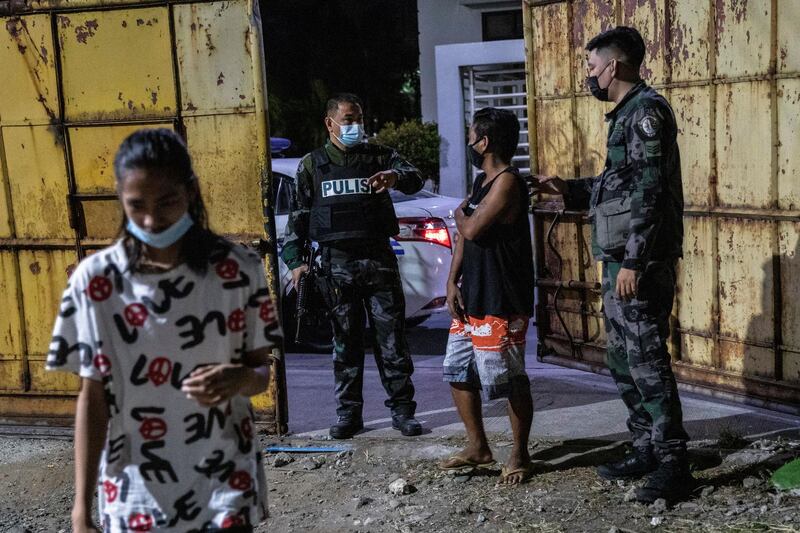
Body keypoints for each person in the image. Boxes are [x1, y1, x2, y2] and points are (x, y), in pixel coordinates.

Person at [47, 128, 282, 532]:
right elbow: (93, 396)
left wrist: (241, 378)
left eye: (167, 201)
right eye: (136, 205)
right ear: (121, 197)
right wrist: (80, 511)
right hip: (135, 488)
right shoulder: (95, 282)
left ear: (191, 192)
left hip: (224, 481)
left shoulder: (238, 270)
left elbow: (261, 372)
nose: (152, 220)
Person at [535, 26, 692, 503]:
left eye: (591, 66)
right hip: (621, 261)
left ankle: (673, 464)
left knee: (647, 361)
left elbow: (651, 193)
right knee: (624, 359)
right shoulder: (624, 116)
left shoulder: (645, 113)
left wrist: (634, 261)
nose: (588, 75)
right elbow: (617, 185)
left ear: (615, 66)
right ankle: (644, 446)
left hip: (637, 264)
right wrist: (570, 188)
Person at [280, 93, 423, 439]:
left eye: (358, 119)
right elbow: (297, 218)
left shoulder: (378, 157)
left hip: (379, 262)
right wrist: (296, 263)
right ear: (330, 123)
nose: (355, 126)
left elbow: (415, 176)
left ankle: (403, 412)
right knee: (345, 343)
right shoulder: (313, 165)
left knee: (392, 342)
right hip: (336, 266)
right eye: (348, 120)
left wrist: (394, 176)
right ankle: (348, 414)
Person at [438, 107, 535, 485]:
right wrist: (452, 282)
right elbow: (464, 235)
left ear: (485, 141)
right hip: (473, 293)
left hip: (502, 295)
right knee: (458, 370)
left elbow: (471, 227)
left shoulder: (508, 182)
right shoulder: (483, 180)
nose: (468, 142)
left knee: (509, 379)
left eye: (471, 136)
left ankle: (519, 454)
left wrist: (461, 214)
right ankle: (478, 447)